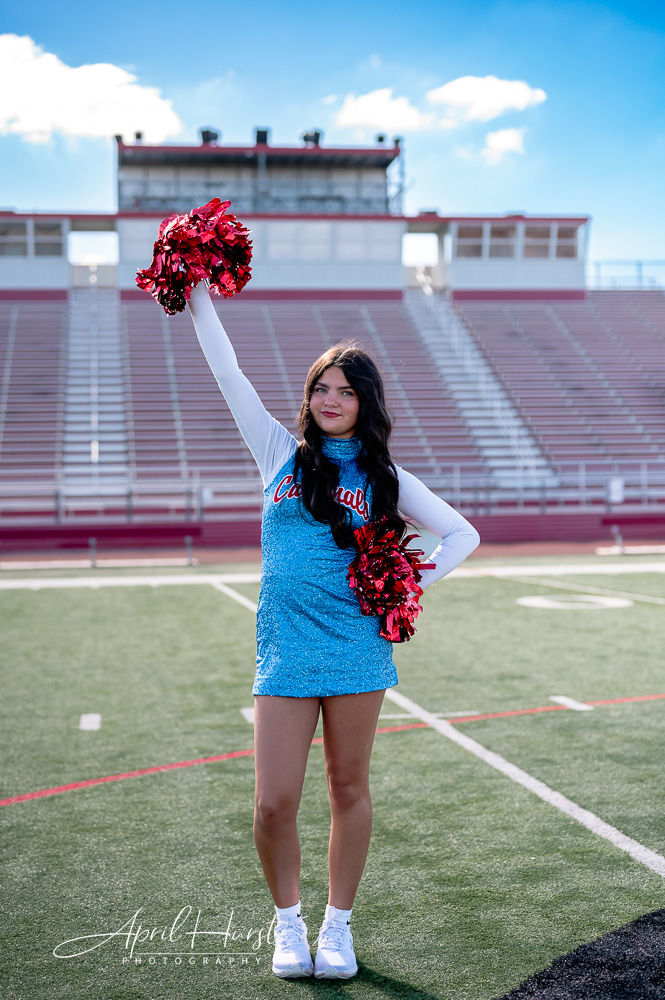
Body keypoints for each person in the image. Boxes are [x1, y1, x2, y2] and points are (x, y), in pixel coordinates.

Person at [186, 281, 480, 980]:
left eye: (345, 391)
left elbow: (461, 535)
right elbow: (228, 372)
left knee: (348, 789)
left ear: (364, 403)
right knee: (272, 801)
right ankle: (287, 924)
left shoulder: (387, 478)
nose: (330, 400)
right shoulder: (277, 453)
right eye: (321, 387)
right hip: (285, 650)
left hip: (356, 649)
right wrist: (198, 292)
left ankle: (336, 929)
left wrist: (402, 591)